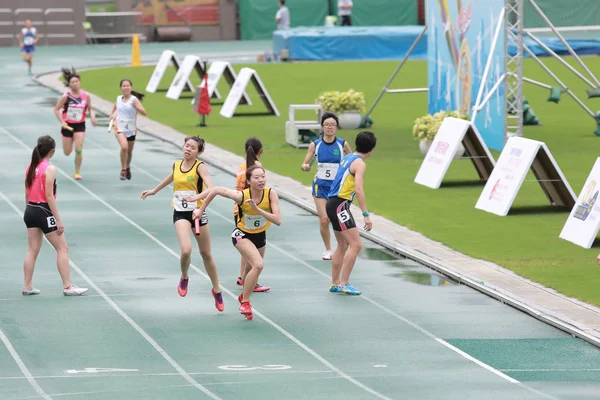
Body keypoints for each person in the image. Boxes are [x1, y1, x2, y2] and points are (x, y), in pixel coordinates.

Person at [140, 136, 224, 312]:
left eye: (193, 148)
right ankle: (185, 276)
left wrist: (196, 198)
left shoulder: (200, 167)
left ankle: (216, 289)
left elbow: (211, 188)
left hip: (198, 213)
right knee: (186, 249)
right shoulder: (177, 165)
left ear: (198, 152)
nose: (188, 149)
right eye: (187, 146)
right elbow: (172, 177)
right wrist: (154, 190)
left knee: (206, 254)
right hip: (180, 212)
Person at [189, 165, 282, 320]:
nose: (261, 180)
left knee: (249, 270)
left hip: (260, 236)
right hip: (242, 235)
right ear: (249, 181)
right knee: (258, 265)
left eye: (263, 176)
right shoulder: (241, 196)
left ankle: (243, 297)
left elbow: (278, 220)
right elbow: (216, 190)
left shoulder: (271, 194)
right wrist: (201, 209)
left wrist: (257, 209)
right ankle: (245, 302)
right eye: (256, 178)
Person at [22, 135, 88, 296]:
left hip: (30, 209)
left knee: (32, 250)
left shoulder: (30, 166)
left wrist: (29, 211)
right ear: (52, 151)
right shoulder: (49, 168)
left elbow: (26, 192)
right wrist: (58, 219)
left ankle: (27, 286)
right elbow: (49, 196)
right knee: (62, 248)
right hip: (44, 210)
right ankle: (67, 287)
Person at [325, 131, 377, 296]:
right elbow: (359, 189)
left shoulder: (347, 158)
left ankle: (335, 283)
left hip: (331, 204)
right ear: (372, 149)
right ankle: (344, 283)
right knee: (356, 244)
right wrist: (365, 214)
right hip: (340, 205)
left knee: (343, 245)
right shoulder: (360, 163)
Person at [301, 112, 352, 260]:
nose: (330, 128)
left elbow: (352, 160)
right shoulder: (315, 145)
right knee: (324, 219)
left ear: (336, 127)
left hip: (337, 188)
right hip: (320, 187)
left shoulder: (342, 144)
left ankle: (342, 246)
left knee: (338, 218)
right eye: (327, 125)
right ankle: (328, 249)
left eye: (332, 125)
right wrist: (305, 167)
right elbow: (305, 163)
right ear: (322, 127)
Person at [234, 137, 270, 293]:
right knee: (253, 246)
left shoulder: (242, 166)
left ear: (244, 150)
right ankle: (250, 281)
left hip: (238, 208)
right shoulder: (257, 167)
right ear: (260, 151)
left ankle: (242, 277)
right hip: (251, 209)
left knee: (246, 244)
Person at [53, 67, 97, 180]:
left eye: (77, 81)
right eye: (73, 82)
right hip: (67, 125)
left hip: (79, 125)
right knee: (67, 152)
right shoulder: (66, 97)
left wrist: (92, 117)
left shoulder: (86, 96)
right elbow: (56, 109)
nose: (75, 84)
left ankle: (77, 172)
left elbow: (90, 109)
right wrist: (62, 122)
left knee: (79, 149)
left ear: (80, 82)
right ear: (69, 84)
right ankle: (69, 142)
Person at [109, 79, 147, 180]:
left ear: (131, 87)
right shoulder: (118, 99)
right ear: (121, 88)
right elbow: (115, 107)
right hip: (119, 127)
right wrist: (112, 114)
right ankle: (123, 169)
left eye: (128, 86)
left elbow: (144, 112)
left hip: (131, 128)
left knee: (129, 151)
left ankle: (127, 167)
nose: (126, 87)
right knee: (124, 147)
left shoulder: (134, 100)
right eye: (124, 86)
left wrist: (137, 107)